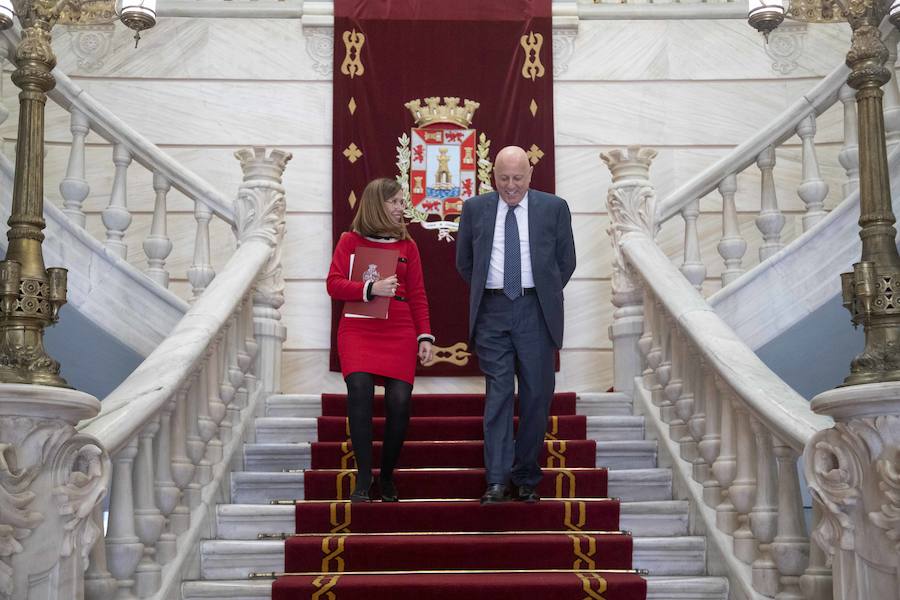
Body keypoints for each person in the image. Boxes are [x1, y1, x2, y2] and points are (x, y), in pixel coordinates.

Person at [456, 146, 576, 505]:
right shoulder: (475, 209)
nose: (511, 186)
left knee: (537, 395)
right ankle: (496, 479)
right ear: (493, 176)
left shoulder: (554, 208)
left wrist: (540, 294)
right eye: (504, 178)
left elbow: (565, 262)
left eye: (517, 178)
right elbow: (465, 263)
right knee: (499, 394)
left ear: (530, 176)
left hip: (535, 309)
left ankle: (526, 477)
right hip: (492, 311)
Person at [327, 178, 435, 502]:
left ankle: (386, 476)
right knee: (358, 388)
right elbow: (333, 284)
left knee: (400, 402)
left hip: (399, 328)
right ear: (377, 204)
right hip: (359, 327)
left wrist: (424, 336)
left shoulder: (408, 246)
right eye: (396, 202)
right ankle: (363, 478)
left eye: (402, 202)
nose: (402, 208)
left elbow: (417, 294)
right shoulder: (350, 240)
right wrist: (369, 289)